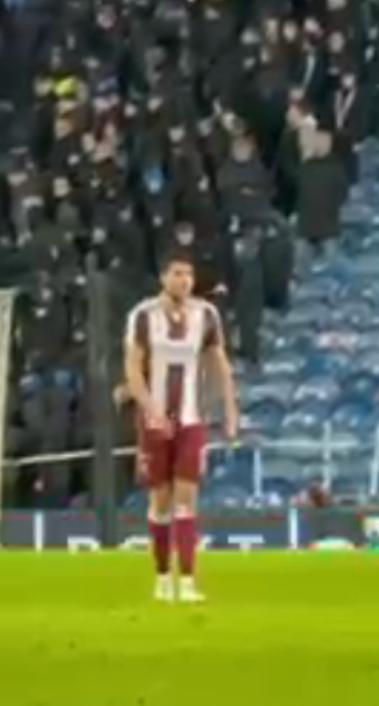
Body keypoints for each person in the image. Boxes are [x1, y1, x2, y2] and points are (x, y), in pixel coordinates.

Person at [123, 252, 240, 604]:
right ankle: (162, 578)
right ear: (163, 277)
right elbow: (132, 369)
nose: (184, 280)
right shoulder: (142, 316)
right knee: (160, 502)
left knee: (187, 500)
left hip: (191, 419)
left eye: (189, 274)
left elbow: (220, 364)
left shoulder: (206, 315)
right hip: (155, 421)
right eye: (177, 273)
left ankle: (187, 582)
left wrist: (231, 410)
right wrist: (150, 408)